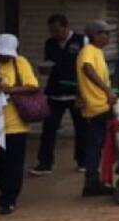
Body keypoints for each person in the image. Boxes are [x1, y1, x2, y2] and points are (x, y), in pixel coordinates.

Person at [0, 34, 41, 214]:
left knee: (13, 163)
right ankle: (4, 188)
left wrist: (9, 90)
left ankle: (9, 198)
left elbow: (33, 86)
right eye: (1, 54)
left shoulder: (21, 63)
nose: (4, 57)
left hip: (15, 123)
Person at [31, 14, 87, 176]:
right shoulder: (50, 43)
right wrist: (45, 69)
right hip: (55, 92)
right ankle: (45, 163)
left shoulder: (80, 41)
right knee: (48, 129)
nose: (55, 34)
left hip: (75, 92)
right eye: (52, 31)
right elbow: (48, 62)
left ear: (66, 26)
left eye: (57, 30)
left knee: (81, 128)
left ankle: (82, 161)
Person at [78, 21, 117, 198]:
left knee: (99, 143)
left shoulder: (98, 52)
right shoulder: (88, 51)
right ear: (95, 35)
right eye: (105, 33)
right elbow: (88, 69)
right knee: (96, 143)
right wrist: (107, 91)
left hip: (103, 103)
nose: (108, 37)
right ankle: (92, 180)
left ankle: (96, 179)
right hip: (98, 105)